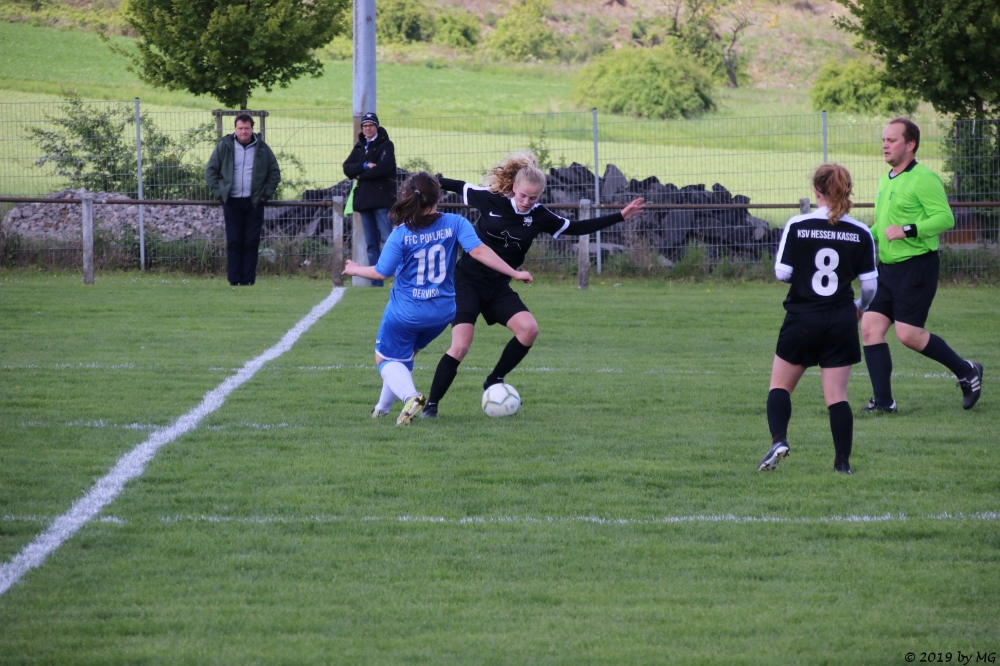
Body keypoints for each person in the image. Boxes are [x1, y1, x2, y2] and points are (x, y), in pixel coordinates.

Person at [420, 152, 645, 418]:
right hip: (466, 283)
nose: (527, 202)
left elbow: (576, 227)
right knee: (461, 345)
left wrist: (620, 216)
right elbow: (455, 185)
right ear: (514, 187)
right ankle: (431, 406)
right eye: (523, 195)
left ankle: (494, 379)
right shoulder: (490, 199)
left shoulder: (539, 215)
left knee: (529, 330)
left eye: (533, 198)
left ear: (540, 196)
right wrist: (421, 184)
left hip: (497, 287)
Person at [343, 172, 533, 426]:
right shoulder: (455, 222)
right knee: (404, 357)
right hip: (442, 313)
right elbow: (479, 251)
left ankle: (410, 397)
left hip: (406, 313)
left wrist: (355, 269)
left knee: (386, 359)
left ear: (407, 196)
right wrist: (514, 272)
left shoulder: (401, 234)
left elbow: (381, 272)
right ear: (438, 197)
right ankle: (381, 410)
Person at [758, 164, 878, 474]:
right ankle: (842, 464)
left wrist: (804, 273)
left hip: (802, 318)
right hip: (841, 320)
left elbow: (782, 273)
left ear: (816, 191)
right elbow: (870, 286)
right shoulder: (861, 232)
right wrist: (860, 308)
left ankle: (779, 440)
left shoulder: (798, 225)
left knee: (780, 387)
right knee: (837, 397)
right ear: (847, 191)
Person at [861, 118, 982, 414]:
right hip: (888, 269)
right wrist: (860, 235)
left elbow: (945, 218)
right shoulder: (886, 179)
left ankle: (967, 371)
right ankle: (883, 402)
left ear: (910, 144)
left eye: (892, 140)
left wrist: (908, 229)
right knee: (870, 328)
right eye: (883, 140)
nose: (885, 145)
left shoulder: (924, 178)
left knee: (908, 335)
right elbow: (883, 226)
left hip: (917, 267)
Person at [205, 113, 281, 286]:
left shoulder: (262, 148)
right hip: (231, 201)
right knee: (234, 241)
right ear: (235, 128)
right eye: (240, 128)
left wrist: (265, 195)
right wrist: (220, 193)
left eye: (247, 128)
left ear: (252, 129)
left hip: (254, 202)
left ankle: (248, 279)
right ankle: (234, 279)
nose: (243, 131)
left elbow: (274, 173)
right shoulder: (225, 146)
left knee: (251, 242)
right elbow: (210, 171)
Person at [343, 112, 397, 287]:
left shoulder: (387, 146)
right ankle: (376, 282)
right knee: (371, 244)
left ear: (376, 127)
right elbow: (347, 168)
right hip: (364, 202)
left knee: (390, 240)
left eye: (371, 125)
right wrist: (364, 165)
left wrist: (359, 175)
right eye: (365, 126)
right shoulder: (359, 147)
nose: (367, 128)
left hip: (382, 201)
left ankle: (399, 277)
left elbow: (384, 169)